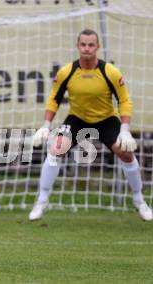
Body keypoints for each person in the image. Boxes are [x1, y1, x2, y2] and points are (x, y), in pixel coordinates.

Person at [30, 29, 153, 221]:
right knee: (56, 149)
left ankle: (139, 200)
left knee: (127, 153)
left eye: (91, 45)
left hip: (106, 120)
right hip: (77, 119)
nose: (87, 49)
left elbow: (124, 100)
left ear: (98, 47)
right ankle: (42, 199)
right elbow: (54, 98)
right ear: (77, 46)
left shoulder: (110, 72)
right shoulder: (66, 72)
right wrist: (46, 124)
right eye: (83, 45)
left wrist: (125, 130)